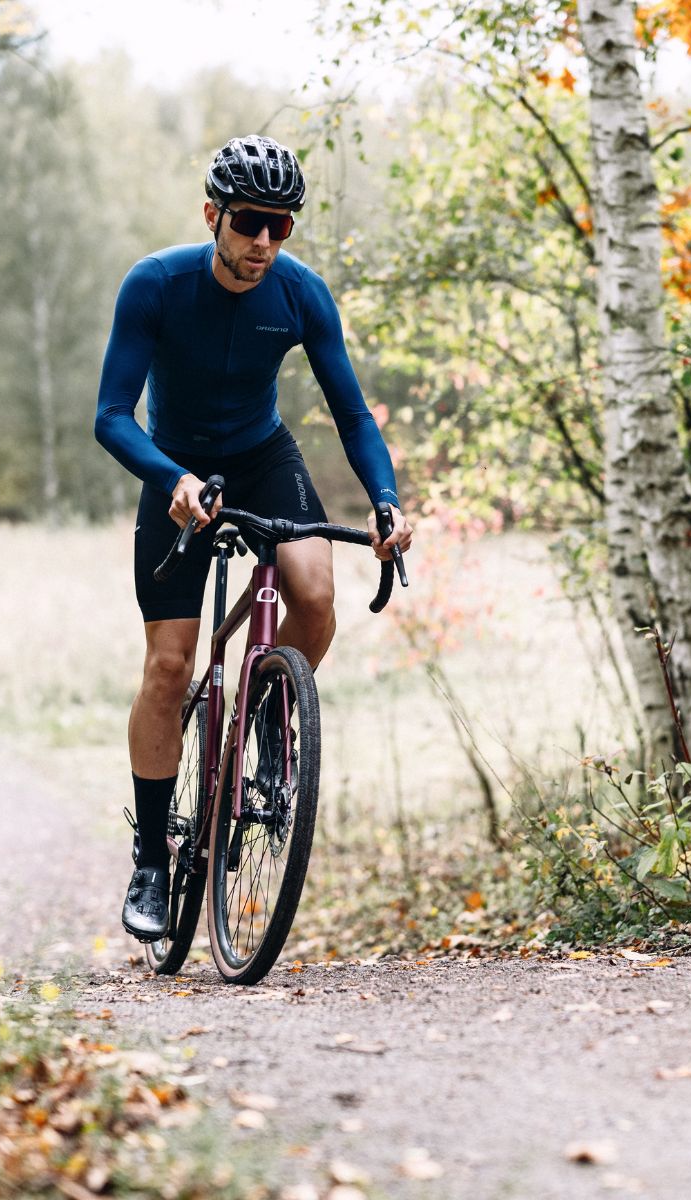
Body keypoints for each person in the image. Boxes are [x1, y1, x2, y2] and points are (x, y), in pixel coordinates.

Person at [94, 134, 416, 942]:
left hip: (263, 455)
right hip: (177, 470)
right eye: (248, 223)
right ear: (214, 216)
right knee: (169, 667)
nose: (264, 243)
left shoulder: (302, 295)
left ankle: (270, 718)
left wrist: (385, 502)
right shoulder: (156, 285)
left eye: (281, 226)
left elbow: (351, 414)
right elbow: (109, 417)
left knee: (315, 595)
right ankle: (151, 858)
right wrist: (171, 478)